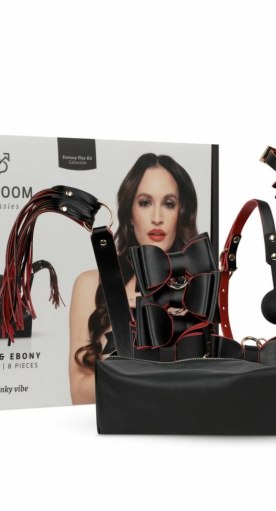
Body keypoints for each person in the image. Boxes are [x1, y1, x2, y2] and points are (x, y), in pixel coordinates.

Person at [68, 153, 199, 404]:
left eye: (169, 203)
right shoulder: (91, 284)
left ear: (181, 213)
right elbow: (80, 393)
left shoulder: (201, 287)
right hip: (120, 425)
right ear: (130, 213)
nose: (157, 217)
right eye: (145, 202)